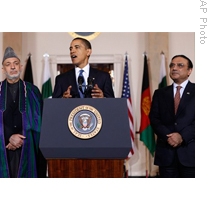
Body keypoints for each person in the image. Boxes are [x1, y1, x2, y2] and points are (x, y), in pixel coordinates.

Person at [0, 47, 46, 178]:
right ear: (3, 69)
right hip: (3, 148)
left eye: (15, 63)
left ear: (20, 67)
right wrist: (9, 137)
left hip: (28, 147)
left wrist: (20, 136)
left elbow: (40, 121)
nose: (12, 67)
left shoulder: (33, 91)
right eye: (8, 64)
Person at [149, 54, 195, 178]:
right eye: (172, 65)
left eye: (180, 65)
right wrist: (168, 136)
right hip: (166, 153)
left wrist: (182, 136)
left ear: (189, 71)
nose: (174, 68)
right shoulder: (160, 93)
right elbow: (154, 118)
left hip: (191, 154)